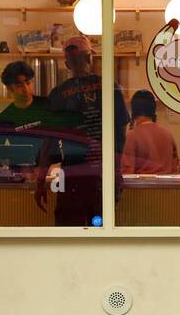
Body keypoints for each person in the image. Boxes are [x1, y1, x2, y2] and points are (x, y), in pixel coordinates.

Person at [40, 36, 129, 226]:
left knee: (69, 238)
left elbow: (48, 141)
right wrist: (115, 172)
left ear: (66, 64)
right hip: (101, 177)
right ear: (90, 58)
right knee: (100, 235)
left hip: (72, 179)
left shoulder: (58, 94)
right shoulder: (108, 86)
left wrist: (40, 179)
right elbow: (120, 132)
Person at [120, 90, 180, 174]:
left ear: (133, 111)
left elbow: (127, 172)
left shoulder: (131, 136)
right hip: (167, 186)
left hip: (141, 186)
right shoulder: (168, 135)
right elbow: (175, 168)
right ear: (153, 110)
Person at [0, 60, 54, 130]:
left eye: (28, 83)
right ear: (9, 88)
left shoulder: (50, 106)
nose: (26, 89)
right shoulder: (3, 119)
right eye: (19, 85)